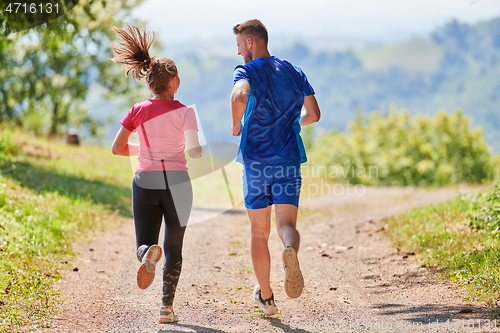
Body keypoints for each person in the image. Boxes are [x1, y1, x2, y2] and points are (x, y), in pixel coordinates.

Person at [110, 25, 202, 324]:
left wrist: (145, 150)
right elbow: (194, 152)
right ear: (174, 81)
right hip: (177, 183)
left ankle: (147, 252)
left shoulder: (137, 109)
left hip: (146, 181)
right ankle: (166, 309)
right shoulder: (186, 111)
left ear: (150, 83)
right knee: (174, 248)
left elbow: (117, 148)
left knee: (145, 242)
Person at [230, 19, 321, 316]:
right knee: (287, 226)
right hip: (289, 159)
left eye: (240, 44)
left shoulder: (246, 70)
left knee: (259, 232)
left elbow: (240, 94)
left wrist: (236, 123)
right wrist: (294, 123)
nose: (239, 51)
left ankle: (267, 298)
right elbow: (314, 114)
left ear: (251, 43)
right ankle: (290, 250)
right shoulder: (294, 71)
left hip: (256, 161)